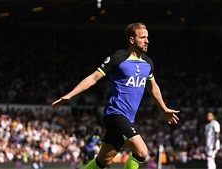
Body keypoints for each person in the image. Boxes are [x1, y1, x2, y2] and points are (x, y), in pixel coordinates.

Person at [51, 22, 180, 169]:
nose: (147, 41)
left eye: (147, 37)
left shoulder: (148, 63)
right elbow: (94, 77)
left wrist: (163, 109)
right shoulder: (118, 58)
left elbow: (153, 87)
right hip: (115, 114)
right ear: (132, 40)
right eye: (143, 37)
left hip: (127, 118)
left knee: (103, 161)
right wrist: (70, 95)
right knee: (142, 152)